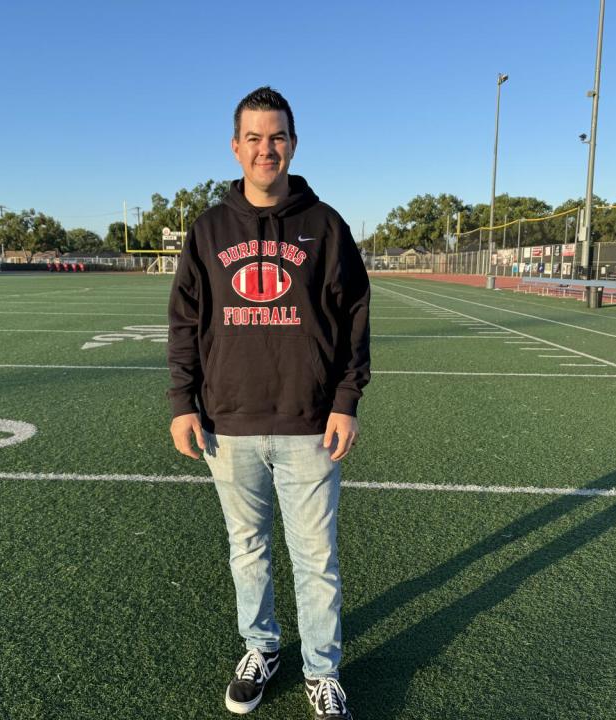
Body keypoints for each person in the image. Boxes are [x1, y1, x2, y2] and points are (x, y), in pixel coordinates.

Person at [167, 86, 370, 720]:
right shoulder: (208, 229)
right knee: (246, 548)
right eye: (253, 138)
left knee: (316, 557)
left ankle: (322, 670)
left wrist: (345, 399)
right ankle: (262, 648)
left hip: (309, 421)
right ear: (235, 147)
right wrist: (182, 401)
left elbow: (354, 316)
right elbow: (184, 320)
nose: (265, 149)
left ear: (293, 143)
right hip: (229, 423)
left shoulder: (326, 225)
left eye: (276, 136)